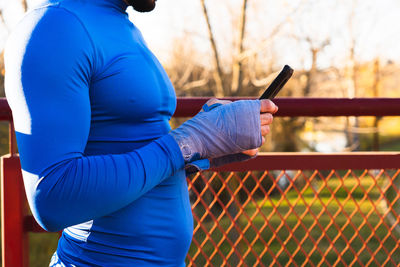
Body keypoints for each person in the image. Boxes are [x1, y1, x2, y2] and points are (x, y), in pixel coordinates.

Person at [4, 0, 278, 266]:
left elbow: (129, 147)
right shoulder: (54, 26)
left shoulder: (123, 26)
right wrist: (191, 140)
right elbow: (52, 197)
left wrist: (211, 144)